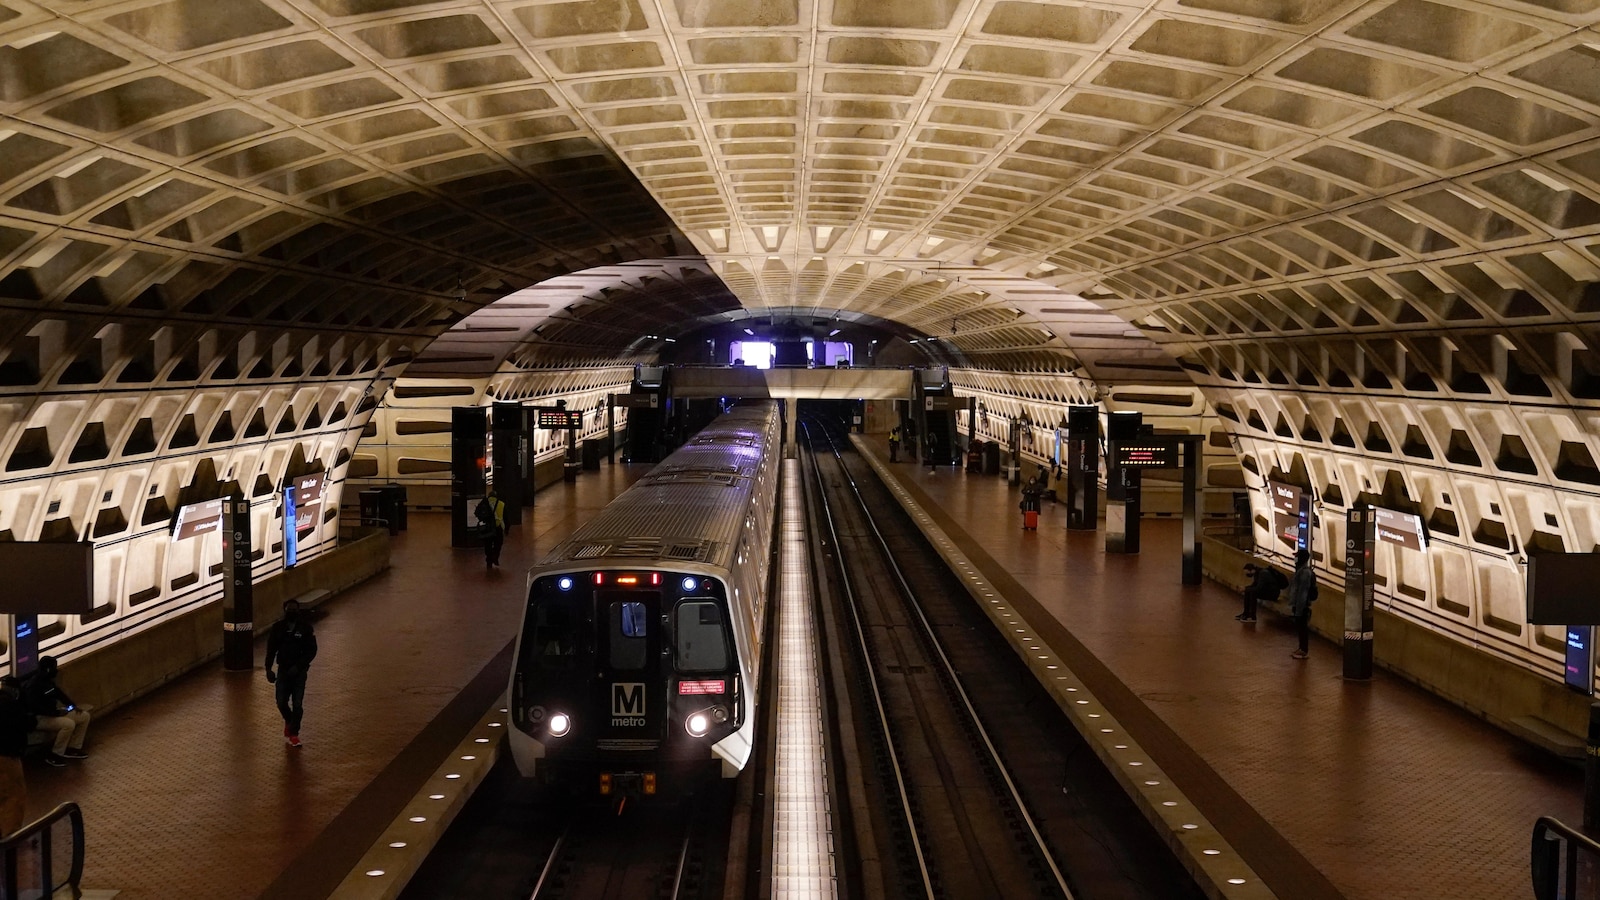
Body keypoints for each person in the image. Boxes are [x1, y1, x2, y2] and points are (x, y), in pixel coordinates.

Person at [265, 599, 318, 748]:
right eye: (289, 609)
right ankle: (289, 721)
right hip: (283, 671)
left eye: (294, 610)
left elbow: (311, 650)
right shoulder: (278, 628)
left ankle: (294, 733)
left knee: (297, 703)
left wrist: (300, 665)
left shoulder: (306, 629)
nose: (292, 612)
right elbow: (271, 649)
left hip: (299, 673)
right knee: (281, 702)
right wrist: (268, 668)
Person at [21, 657, 89, 767]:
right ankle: (55, 754)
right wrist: (56, 713)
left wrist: (72, 706)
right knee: (68, 724)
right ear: (48, 669)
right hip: (39, 718)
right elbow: (34, 707)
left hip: (52, 714)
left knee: (84, 716)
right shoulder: (34, 685)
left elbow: (59, 694)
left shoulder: (48, 681)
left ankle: (73, 748)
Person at [0, 676, 34, 834]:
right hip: (7, 756)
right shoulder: (12, 706)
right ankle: (11, 835)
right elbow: (27, 724)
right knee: (14, 795)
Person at [1287, 549, 1318, 658]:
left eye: (1296, 556)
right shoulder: (1301, 571)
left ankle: (1303, 650)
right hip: (1299, 604)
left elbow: (1302, 591)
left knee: (1303, 628)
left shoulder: (1304, 573)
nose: (1294, 559)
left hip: (1303, 605)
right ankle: (1301, 648)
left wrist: (1299, 609)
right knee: (1301, 628)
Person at [476, 487, 507, 569]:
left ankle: (489, 561)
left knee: (488, 545)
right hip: (497, 528)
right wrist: (507, 529)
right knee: (498, 544)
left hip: (487, 527)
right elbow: (506, 518)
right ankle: (495, 557)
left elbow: (477, 512)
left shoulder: (484, 503)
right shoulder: (501, 504)